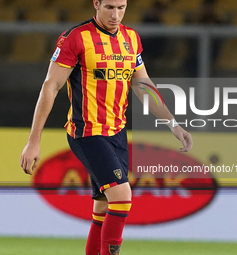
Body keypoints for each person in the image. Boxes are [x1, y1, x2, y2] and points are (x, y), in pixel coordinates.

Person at [20, 1, 193, 255]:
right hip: (87, 133)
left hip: (117, 133)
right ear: (96, 4)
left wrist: (173, 124)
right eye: (110, 7)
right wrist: (34, 141)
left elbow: (142, 84)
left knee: (103, 207)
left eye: (121, 7)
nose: (116, 15)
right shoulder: (76, 38)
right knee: (123, 197)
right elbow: (51, 86)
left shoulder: (131, 38)